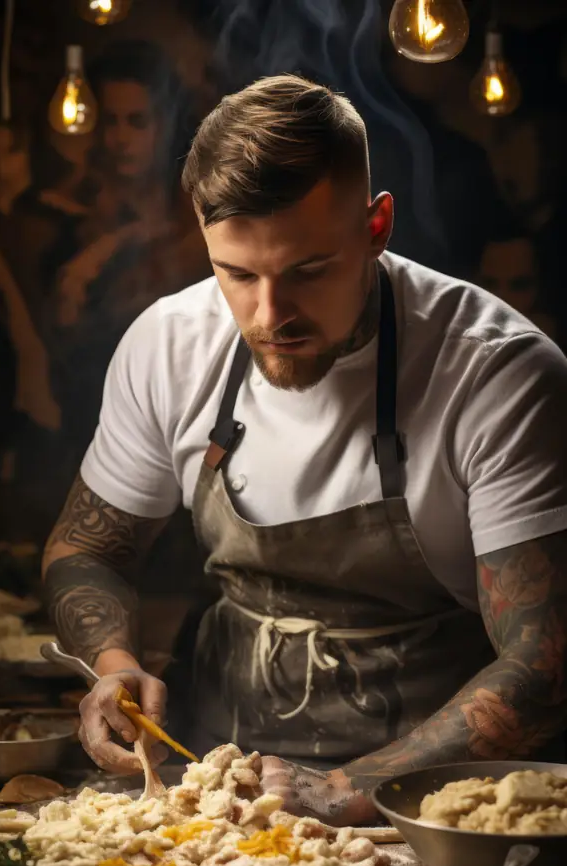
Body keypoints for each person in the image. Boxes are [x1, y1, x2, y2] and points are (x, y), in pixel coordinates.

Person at [43, 75, 567, 827]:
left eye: (308, 271)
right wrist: (115, 667)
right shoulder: (167, 346)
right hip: (213, 787)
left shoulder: (495, 373)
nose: (270, 314)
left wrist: (344, 789)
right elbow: (87, 548)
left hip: (424, 807)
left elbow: (546, 662)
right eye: (238, 273)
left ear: (376, 226)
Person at [51, 40, 210, 469]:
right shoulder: (73, 205)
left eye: (136, 122)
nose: (119, 138)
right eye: (110, 121)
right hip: (93, 424)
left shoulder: (194, 200)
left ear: (163, 124)